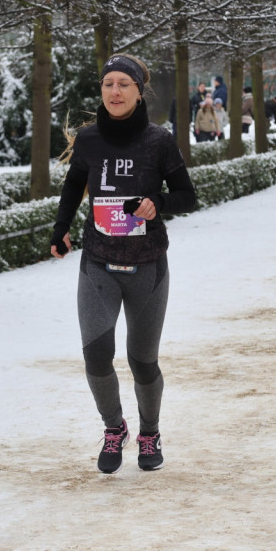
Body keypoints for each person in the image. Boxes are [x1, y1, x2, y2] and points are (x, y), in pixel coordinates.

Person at [49, 54, 197, 474]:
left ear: (138, 91)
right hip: (98, 262)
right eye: (107, 84)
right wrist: (61, 228)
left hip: (148, 264)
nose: (114, 91)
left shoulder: (158, 140)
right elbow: (74, 184)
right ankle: (114, 428)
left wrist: (159, 204)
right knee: (96, 355)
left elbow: (188, 195)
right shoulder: (89, 138)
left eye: (123, 84)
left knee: (141, 359)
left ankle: (149, 432)